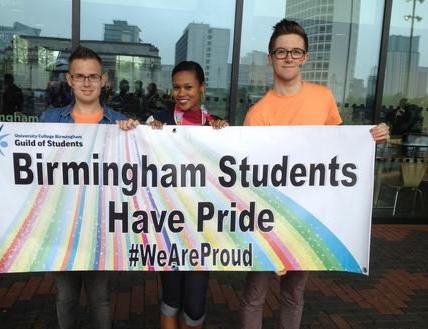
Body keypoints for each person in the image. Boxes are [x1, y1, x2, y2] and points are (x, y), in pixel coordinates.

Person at [0, 46, 138, 329]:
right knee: (66, 297)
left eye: (93, 77)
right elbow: (20, 155)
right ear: (70, 80)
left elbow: (137, 170)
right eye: (80, 76)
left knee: (100, 298)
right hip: (60, 225)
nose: (87, 83)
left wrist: (136, 134)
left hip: (101, 224)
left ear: (104, 80)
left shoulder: (119, 123)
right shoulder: (49, 120)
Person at [240, 19, 389, 329]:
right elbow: (253, 175)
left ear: (305, 57)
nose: (289, 57)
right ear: (270, 58)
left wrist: (368, 138)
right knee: (255, 293)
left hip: (308, 215)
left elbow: (338, 149)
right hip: (268, 217)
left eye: (296, 51)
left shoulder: (323, 98)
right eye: (281, 52)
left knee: (294, 293)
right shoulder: (257, 114)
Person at [147, 61, 227, 329]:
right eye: (177, 87)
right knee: (171, 299)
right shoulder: (158, 122)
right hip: (167, 226)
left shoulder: (215, 125)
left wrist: (225, 135)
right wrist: (147, 132)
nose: (181, 93)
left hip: (200, 228)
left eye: (189, 87)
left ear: (202, 88)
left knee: (194, 306)